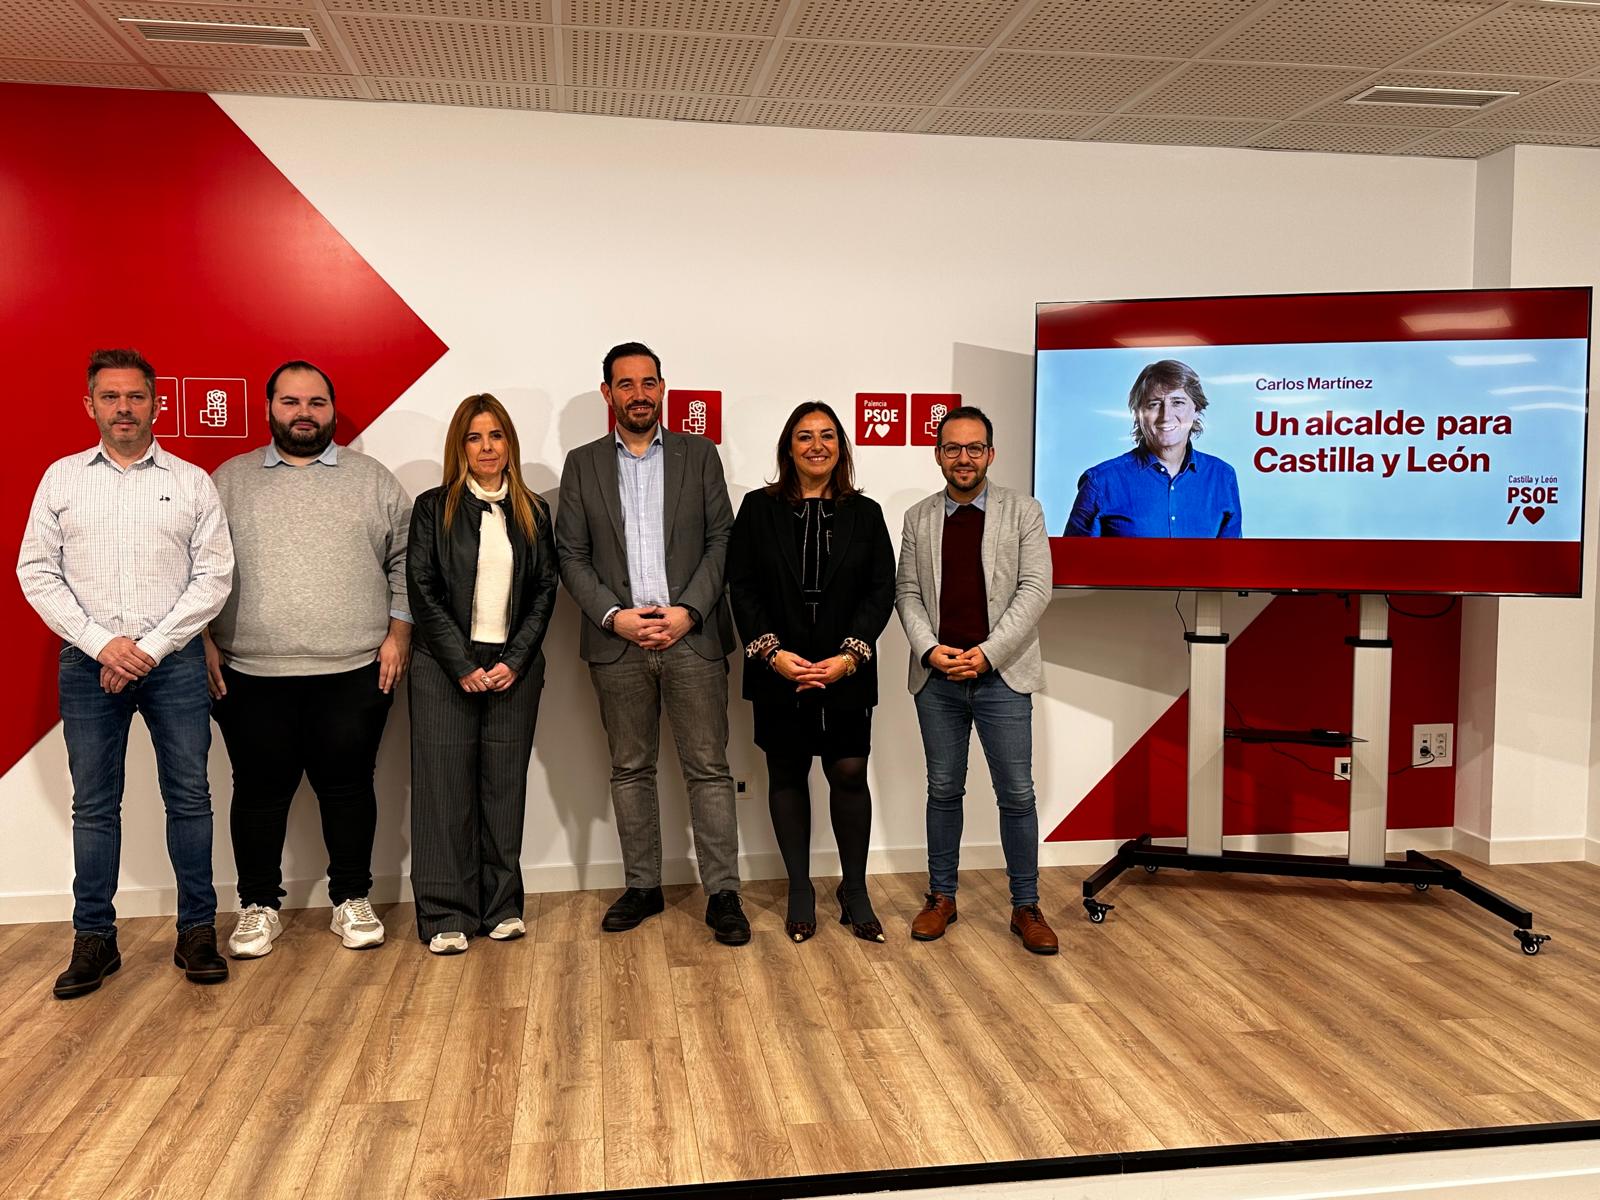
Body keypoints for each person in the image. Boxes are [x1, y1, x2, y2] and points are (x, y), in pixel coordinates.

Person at [18, 348, 234, 997]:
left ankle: (197, 931)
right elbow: (37, 571)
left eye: (135, 397)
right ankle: (94, 940)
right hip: (88, 665)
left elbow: (214, 574)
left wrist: (152, 647)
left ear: (156, 403)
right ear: (89, 405)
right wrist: (102, 645)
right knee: (94, 806)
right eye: (110, 397)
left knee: (190, 798)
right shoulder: (61, 481)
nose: (123, 408)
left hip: (176, 665)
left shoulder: (193, 481)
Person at [204, 360, 412, 958]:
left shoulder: (371, 479)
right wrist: (204, 641)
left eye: (317, 403)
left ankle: (351, 897)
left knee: (348, 788)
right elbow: (197, 568)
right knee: (260, 790)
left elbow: (406, 561)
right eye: (291, 402)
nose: (304, 413)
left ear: (332, 410)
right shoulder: (229, 481)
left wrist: (399, 634)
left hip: (354, 669)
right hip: (249, 671)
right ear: (269, 408)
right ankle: (259, 905)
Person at [555, 342, 748, 945]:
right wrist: (616, 617)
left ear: (663, 388)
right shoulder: (582, 463)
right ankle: (643, 885)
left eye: (649, 383)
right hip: (619, 642)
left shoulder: (700, 455)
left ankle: (723, 894)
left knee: (709, 771)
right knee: (631, 769)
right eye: (625, 384)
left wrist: (689, 612)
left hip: (693, 639)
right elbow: (571, 554)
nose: (639, 394)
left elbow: (722, 541)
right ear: (608, 393)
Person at [727, 403, 895, 943]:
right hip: (779, 667)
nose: (816, 445)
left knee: (848, 772)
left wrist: (849, 656)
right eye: (804, 436)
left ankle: (855, 889)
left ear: (841, 447)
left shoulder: (865, 513)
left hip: (847, 667)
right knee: (788, 772)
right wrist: (772, 653)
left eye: (826, 436)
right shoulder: (757, 508)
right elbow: (742, 587)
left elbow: (881, 590)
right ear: (788, 448)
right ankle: (800, 888)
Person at [895, 405, 1057, 953]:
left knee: (1016, 794)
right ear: (938, 454)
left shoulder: (1024, 511)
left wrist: (986, 654)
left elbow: (1035, 589)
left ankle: (1026, 905)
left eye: (974, 448)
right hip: (937, 680)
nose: (963, 458)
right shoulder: (919, 518)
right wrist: (930, 650)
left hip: (1002, 676)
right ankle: (941, 897)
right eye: (952, 448)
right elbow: (908, 593)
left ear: (990, 454)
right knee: (943, 790)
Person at [406, 394, 557, 954]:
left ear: (509, 444)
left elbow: (545, 589)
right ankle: (445, 913)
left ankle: (501, 905)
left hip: (513, 666)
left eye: (496, 436)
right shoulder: (433, 507)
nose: (487, 447)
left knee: (503, 788)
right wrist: (463, 664)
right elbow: (421, 589)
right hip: (445, 666)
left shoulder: (533, 510)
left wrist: (513, 660)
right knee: (443, 791)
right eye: (475, 437)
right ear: (460, 447)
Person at [1063, 359, 1242, 537]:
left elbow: (1233, 562)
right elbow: (1073, 563)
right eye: (1154, 404)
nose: (1166, 416)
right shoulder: (1101, 482)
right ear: (1138, 413)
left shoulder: (1222, 476)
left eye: (1177, 402)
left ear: (1196, 410)